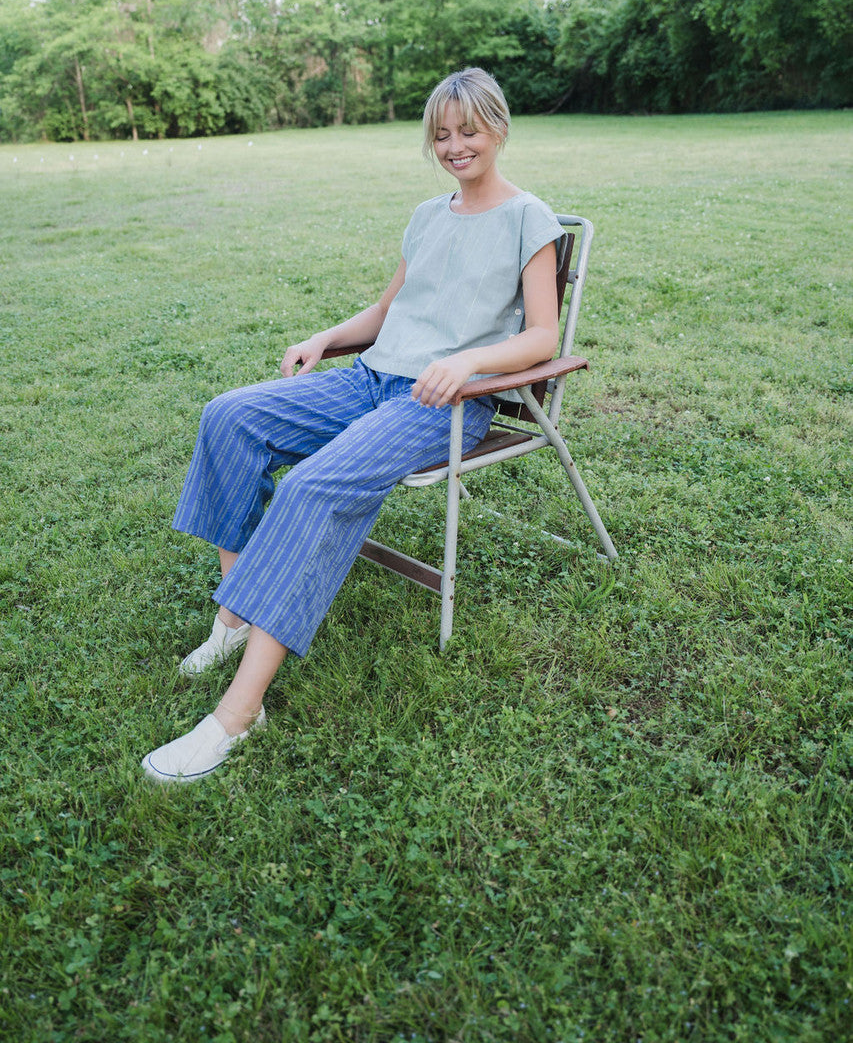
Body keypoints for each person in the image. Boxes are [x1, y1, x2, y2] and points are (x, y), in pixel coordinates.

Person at [141, 67, 564, 783]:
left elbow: (543, 338)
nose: (454, 146)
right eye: (440, 135)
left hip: (443, 404)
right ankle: (235, 617)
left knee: (312, 486)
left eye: (467, 131)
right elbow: (385, 315)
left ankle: (239, 714)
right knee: (230, 417)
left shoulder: (529, 219)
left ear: (497, 127)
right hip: (371, 380)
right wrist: (326, 337)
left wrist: (468, 364)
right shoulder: (428, 216)